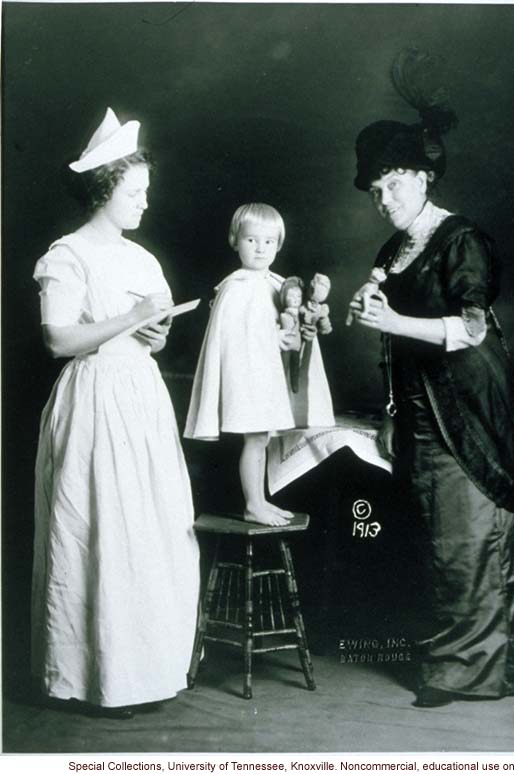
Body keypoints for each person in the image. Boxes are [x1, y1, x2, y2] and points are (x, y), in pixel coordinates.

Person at [348, 50, 514, 708]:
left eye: (392, 186)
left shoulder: (460, 239)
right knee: (439, 538)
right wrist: (387, 406)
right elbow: (390, 342)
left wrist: (394, 320)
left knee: (466, 536)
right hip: (420, 407)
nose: (382, 200)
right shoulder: (392, 248)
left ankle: (468, 672)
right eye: (373, 191)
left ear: (423, 177)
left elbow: (471, 330)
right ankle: (473, 661)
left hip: (470, 409)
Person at [31, 108, 200, 719]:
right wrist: (131, 319)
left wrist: (154, 335)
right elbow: (57, 340)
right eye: (135, 192)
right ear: (105, 190)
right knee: (98, 527)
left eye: (147, 192)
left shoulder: (142, 258)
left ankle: (147, 672)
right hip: (94, 401)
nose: (144, 203)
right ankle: (96, 677)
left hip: (141, 396)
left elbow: (146, 336)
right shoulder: (68, 255)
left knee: (149, 529)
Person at [184, 203, 335, 526]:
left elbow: (285, 327)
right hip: (247, 379)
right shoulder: (235, 287)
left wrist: (297, 336)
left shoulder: (278, 284)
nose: (260, 248)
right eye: (251, 240)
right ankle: (253, 504)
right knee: (255, 440)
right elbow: (237, 340)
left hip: (267, 378)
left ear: (278, 244)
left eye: (269, 242)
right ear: (235, 240)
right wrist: (272, 340)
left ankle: (260, 499)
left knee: (262, 440)